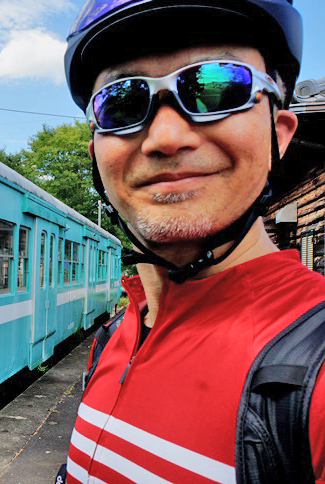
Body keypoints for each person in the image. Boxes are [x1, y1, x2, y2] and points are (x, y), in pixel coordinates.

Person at [62, 0, 325, 482]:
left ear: (279, 133)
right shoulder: (118, 332)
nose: (164, 137)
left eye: (220, 87)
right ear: (97, 151)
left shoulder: (316, 375)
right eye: (121, 102)